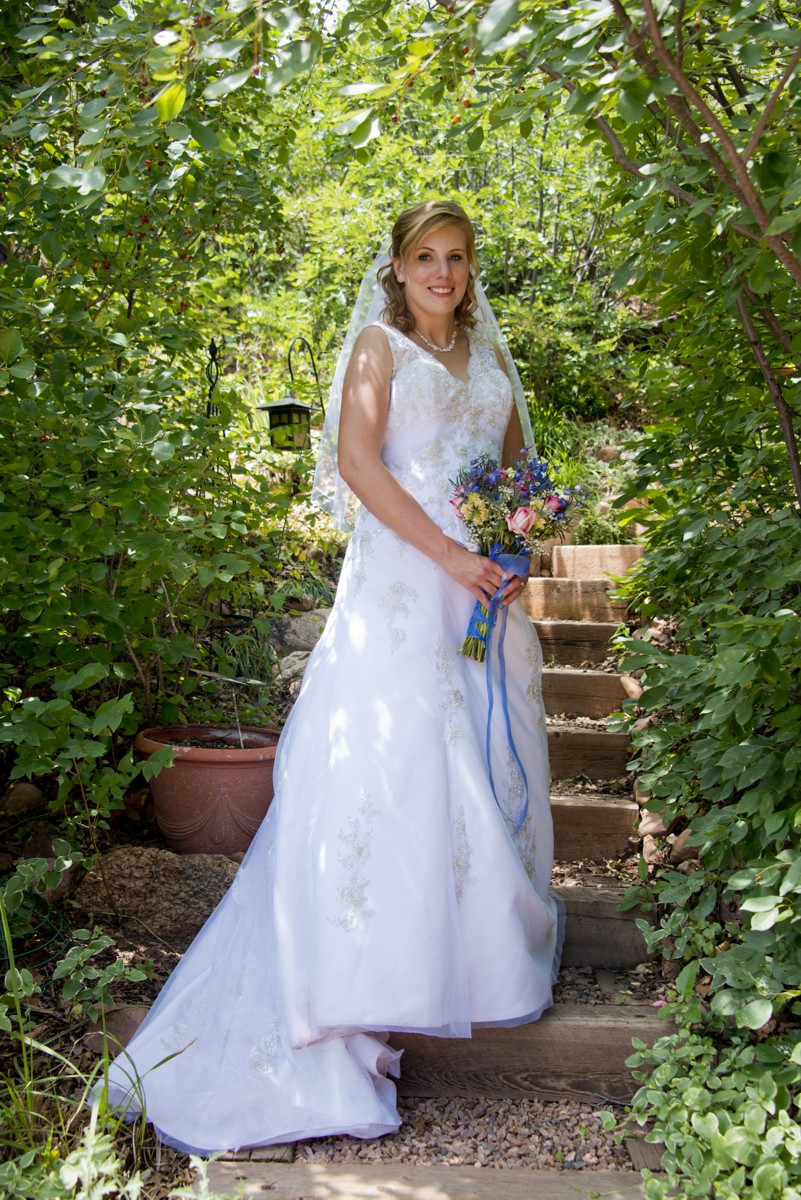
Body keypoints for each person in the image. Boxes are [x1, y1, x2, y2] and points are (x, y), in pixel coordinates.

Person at [101, 200, 562, 1154]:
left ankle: (472, 969)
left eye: (458, 258)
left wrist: (520, 543)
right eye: (424, 258)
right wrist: (448, 552)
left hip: (478, 594)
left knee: (477, 773)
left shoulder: (494, 367)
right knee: (397, 771)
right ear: (395, 269)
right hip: (406, 581)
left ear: (473, 269)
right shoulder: (377, 351)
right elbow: (359, 463)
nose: (442, 272)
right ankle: (362, 983)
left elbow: (518, 472)